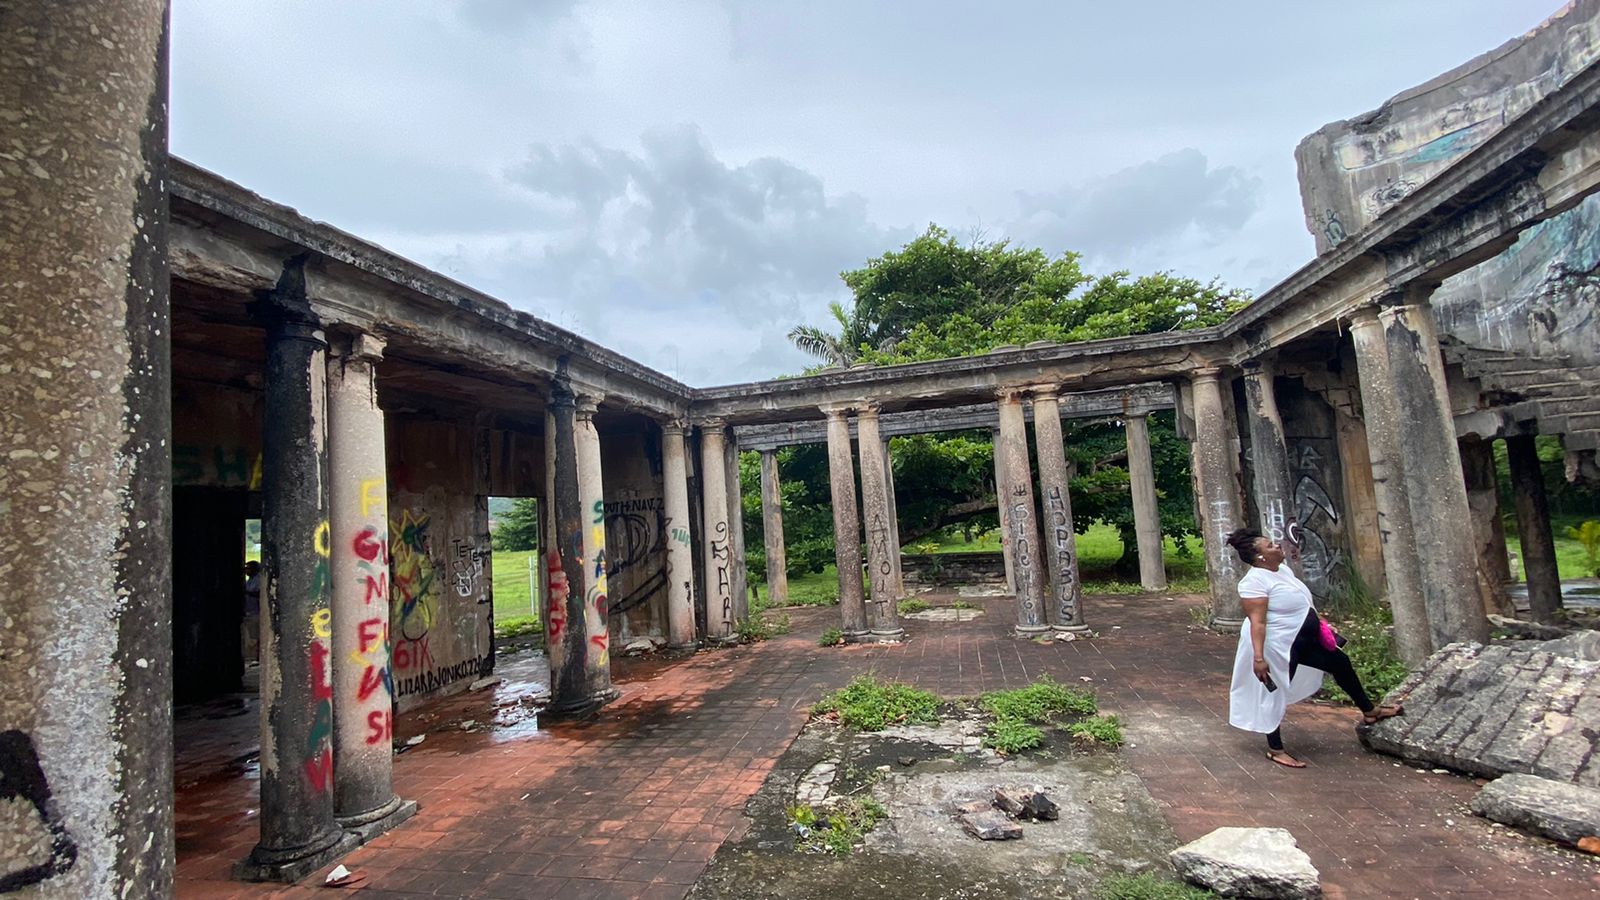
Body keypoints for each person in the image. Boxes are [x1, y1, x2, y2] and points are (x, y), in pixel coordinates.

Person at [1225, 528, 1402, 767]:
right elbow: (1258, 622)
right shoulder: (1253, 582)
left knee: (1340, 663)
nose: (1277, 546)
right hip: (1278, 646)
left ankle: (1370, 712)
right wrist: (1258, 658)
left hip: (1304, 639)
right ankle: (1275, 749)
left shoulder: (1283, 571)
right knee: (1274, 693)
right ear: (1260, 557)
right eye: (1270, 546)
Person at [242, 560, 261, 664]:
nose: (246, 570)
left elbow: (258, 593)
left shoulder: (258, 580)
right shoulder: (249, 581)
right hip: (250, 611)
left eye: (248, 568)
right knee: (252, 636)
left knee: (256, 636)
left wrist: (247, 592)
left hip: (256, 611)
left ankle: (256, 658)